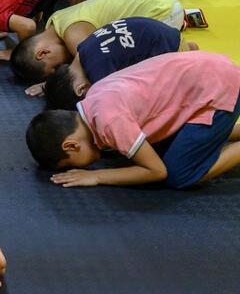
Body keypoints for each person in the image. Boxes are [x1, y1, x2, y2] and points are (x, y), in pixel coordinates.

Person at [26, 51, 240, 190]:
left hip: (220, 88)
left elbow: (156, 171)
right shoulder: (93, 99)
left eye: (69, 164)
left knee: (179, 174)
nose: (76, 169)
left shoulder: (110, 122)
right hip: (208, 70)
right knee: (165, 145)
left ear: (71, 145)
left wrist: (98, 176)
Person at [9, 0, 193, 84]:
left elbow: (93, 73)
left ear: (42, 53)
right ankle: (184, 46)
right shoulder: (54, 21)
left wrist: (53, 86)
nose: (63, 67)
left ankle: (184, 53)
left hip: (160, 11)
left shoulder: (74, 35)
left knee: (131, 75)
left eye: (56, 68)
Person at [45, 17, 198, 109]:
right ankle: (187, 50)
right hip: (160, 32)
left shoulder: (98, 73)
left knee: (156, 100)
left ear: (80, 90)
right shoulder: (82, 49)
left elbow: (112, 102)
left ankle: (187, 55)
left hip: (167, 49)